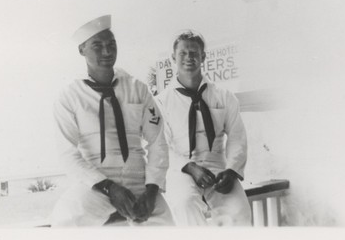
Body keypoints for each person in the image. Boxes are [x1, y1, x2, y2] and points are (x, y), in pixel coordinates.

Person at [50, 15, 174, 226]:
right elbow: (67, 154)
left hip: (140, 182)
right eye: (97, 46)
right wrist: (109, 187)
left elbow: (158, 142)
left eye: (111, 44)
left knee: (168, 230)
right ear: (82, 50)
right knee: (65, 222)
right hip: (98, 184)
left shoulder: (137, 88)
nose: (107, 52)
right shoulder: (69, 95)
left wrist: (152, 190)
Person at [156, 30, 252, 226]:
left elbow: (237, 137)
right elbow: (160, 145)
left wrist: (232, 170)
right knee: (185, 203)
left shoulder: (224, 96)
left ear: (203, 57)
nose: (189, 58)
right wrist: (191, 167)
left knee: (239, 210)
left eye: (194, 53)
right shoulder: (161, 102)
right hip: (181, 168)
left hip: (218, 167)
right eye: (183, 53)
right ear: (173, 58)